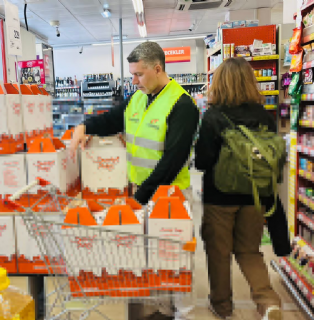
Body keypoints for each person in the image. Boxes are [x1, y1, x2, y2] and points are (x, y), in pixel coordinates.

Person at [195, 57, 282, 320]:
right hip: (256, 195)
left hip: (219, 197)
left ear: (219, 83)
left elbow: (202, 161)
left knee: (218, 252)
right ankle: (268, 302)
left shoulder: (213, 117)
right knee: (249, 251)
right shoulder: (264, 116)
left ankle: (222, 306)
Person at [69, 41, 200, 206]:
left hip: (170, 195)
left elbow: (172, 162)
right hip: (140, 191)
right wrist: (84, 127)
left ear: (157, 69)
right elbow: (111, 120)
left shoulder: (182, 105)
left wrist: (140, 198)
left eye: (139, 74)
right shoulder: (137, 98)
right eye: (132, 74)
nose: (134, 81)